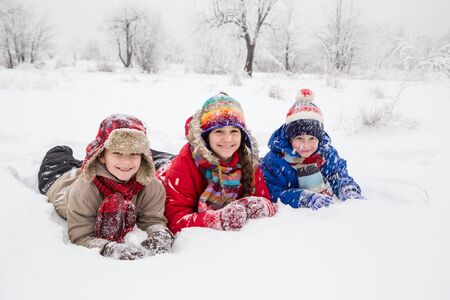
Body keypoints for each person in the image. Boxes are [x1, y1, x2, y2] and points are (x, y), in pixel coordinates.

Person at [37, 114, 173, 260]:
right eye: (117, 153)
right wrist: (109, 248)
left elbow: (153, 220)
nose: (126, 162)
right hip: (61, 180)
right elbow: (81, 235)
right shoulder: (84, 191)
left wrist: (160, 235)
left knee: (120, 165)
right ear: (101, 155)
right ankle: (62, 151)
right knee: (58, 155)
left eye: (134, 154)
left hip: (107, 168)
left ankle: (103, 158)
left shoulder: (150, 185)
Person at [160, 93, 277, 234]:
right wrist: (217, 219)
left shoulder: (249, 160)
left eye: (234, 131)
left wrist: (260, 206)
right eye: (219, 131)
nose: (227, 139)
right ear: (206, 136)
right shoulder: (185, 162)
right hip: (164, 171)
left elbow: (264, 199)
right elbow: (175, 220)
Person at [261, 88, 363, 210]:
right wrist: (303, 197)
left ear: (319, 139)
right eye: (299, 138)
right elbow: (273, 192)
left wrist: (346, 187)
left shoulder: (326, 153)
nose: (306, 145)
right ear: (289, 138)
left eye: (312, 139)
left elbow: (337, 174)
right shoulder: (275, 160)